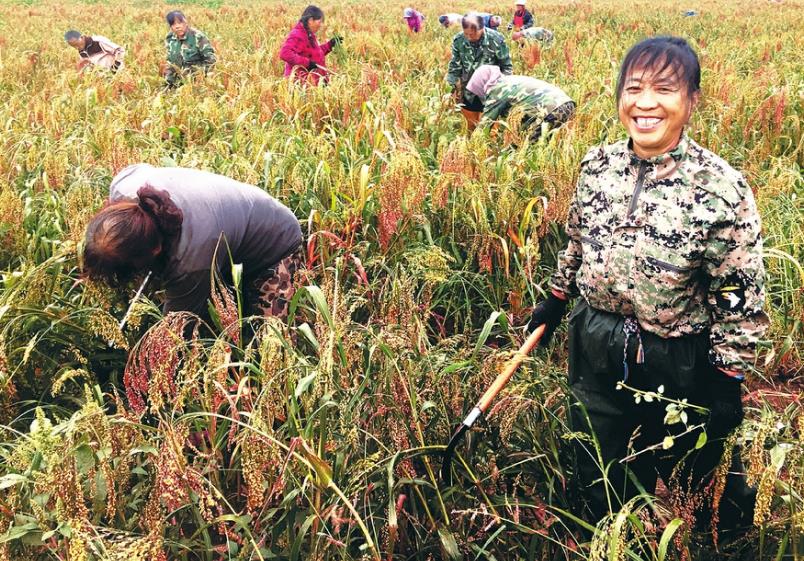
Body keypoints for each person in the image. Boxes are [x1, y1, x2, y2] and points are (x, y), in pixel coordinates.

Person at [528, 36, 766, 534]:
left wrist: (728, 380)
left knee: (695, 482)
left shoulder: (720, 187)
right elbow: (576, 240)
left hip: (677, 358)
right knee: (598, 469)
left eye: (664, 88)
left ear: (691, 100)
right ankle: (605, 536)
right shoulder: (597, 165)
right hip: (595, 343)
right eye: (633, 87)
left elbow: (738, 293)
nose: (645, 102)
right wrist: (554, 299)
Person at [82, 164, 304, 324]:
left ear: (155, 249)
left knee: (272, 339)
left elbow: (176, 331)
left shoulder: (191, 261)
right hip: (226, 227)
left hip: (275, 240)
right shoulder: (123, 186)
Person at [465, 65, 574, 140]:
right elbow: (512, 124)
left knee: (527, 149)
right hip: (566, 104)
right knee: (546, 145)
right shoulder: (509, 80)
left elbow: (484, 127)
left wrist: (468, 148)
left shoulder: (496, 90)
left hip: (550, 109)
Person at [445, 13, 513, 130]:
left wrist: (503, 91)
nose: (469, 37)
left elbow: (506, 67)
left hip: (490, 90)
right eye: (466, 34)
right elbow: (454, 66)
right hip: (468, 89)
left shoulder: (496, 39)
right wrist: (449, 88)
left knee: (489, 128)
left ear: (482, 28)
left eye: (473, 34)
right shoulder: (459, 40)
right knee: (469, 125)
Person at [279, 5, 342, 86]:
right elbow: (285, 53)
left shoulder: (308, 34)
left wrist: (330, 45)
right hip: (301, 86)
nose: (321, 25)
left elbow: (313, 54)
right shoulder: (297, 34)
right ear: (310, 20)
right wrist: (307, 63)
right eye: (319, 22)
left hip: (312, 82)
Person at [163, 11, 216, 87]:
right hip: (178, 82)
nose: (177, 26)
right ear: (170, 27)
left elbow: (211, 61)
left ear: (185, 23)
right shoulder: (170, 38)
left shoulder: (198, 37)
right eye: (174, 24)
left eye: (180, 23)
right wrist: (168, 83)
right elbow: (170, 62)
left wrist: (203, 79)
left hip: (197, 82)